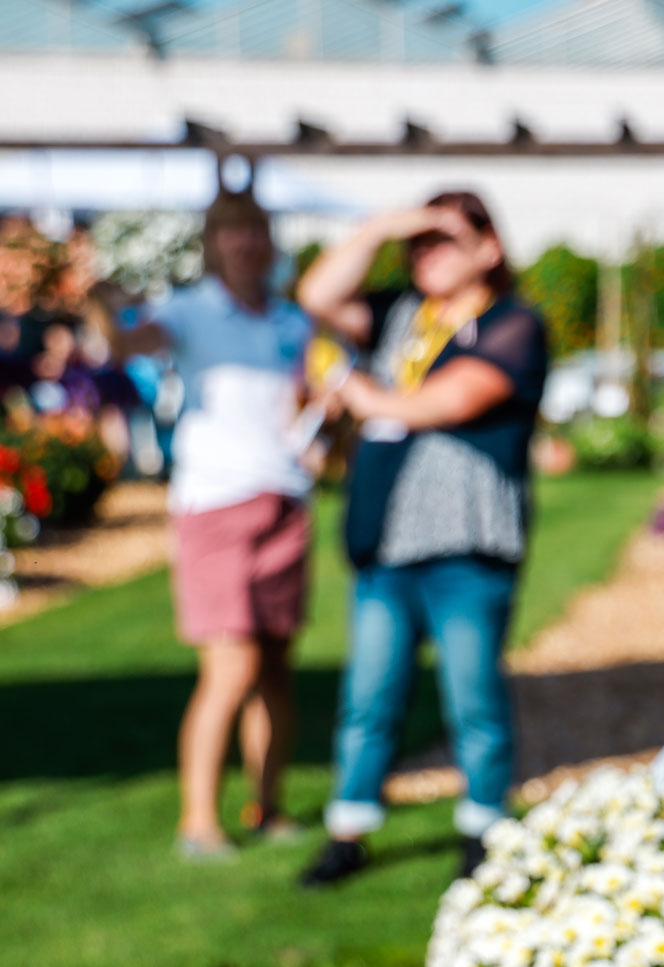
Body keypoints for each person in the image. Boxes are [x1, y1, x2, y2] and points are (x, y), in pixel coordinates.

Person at [294, 192, 548, 887]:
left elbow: (451, 400)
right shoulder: (398, 316)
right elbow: (316, 294)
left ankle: (483, 827)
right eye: (421, 244)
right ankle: (349, 827)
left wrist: (360, 391)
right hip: (387, 542)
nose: (426, 255)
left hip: (468, 544)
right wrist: (380, 225)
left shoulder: (514, 323)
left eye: (446, 240)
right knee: (368, 698)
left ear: (488, 250)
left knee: (473, 698)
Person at [87, 191, 313, 859]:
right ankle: (199, 822)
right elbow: (127, 342)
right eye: (234, 231)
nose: (248, 243)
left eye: (258, 231)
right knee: (231, 665)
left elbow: (304, 396)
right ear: (214, 243)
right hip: (216, 505)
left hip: (287, 498)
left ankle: (266, 808)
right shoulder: (187, 311)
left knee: (275, 666)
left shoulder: (290, 321)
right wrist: (101, 301)